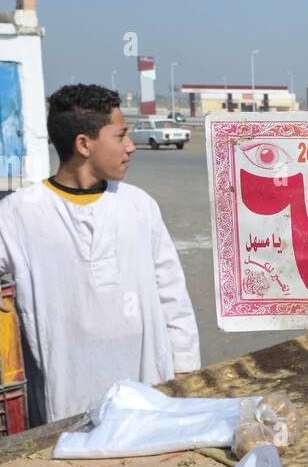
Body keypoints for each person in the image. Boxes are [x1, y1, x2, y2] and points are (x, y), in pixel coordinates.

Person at [0, 84, 200, 426]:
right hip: (67, 403)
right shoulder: (20, 213)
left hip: (149, 392)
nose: (130, 147)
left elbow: (172, 293)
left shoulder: (139, 205)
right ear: (83, 144)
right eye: (120, 136)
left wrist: (186, 368)